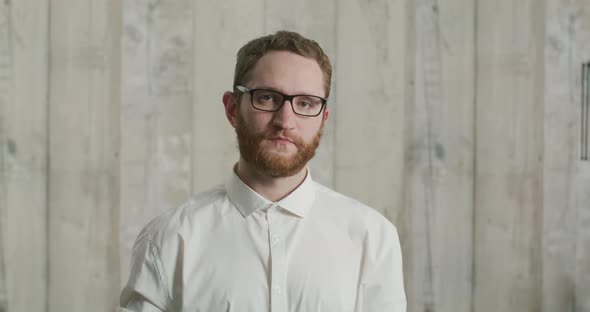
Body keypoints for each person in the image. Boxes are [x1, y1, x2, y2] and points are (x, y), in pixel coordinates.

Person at [119, 30, 406, 312]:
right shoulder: (169, 239)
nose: (285, 120)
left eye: (305, 103)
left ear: (323, 119)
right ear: (233, 109)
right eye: (267, 97)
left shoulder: (372, 238)